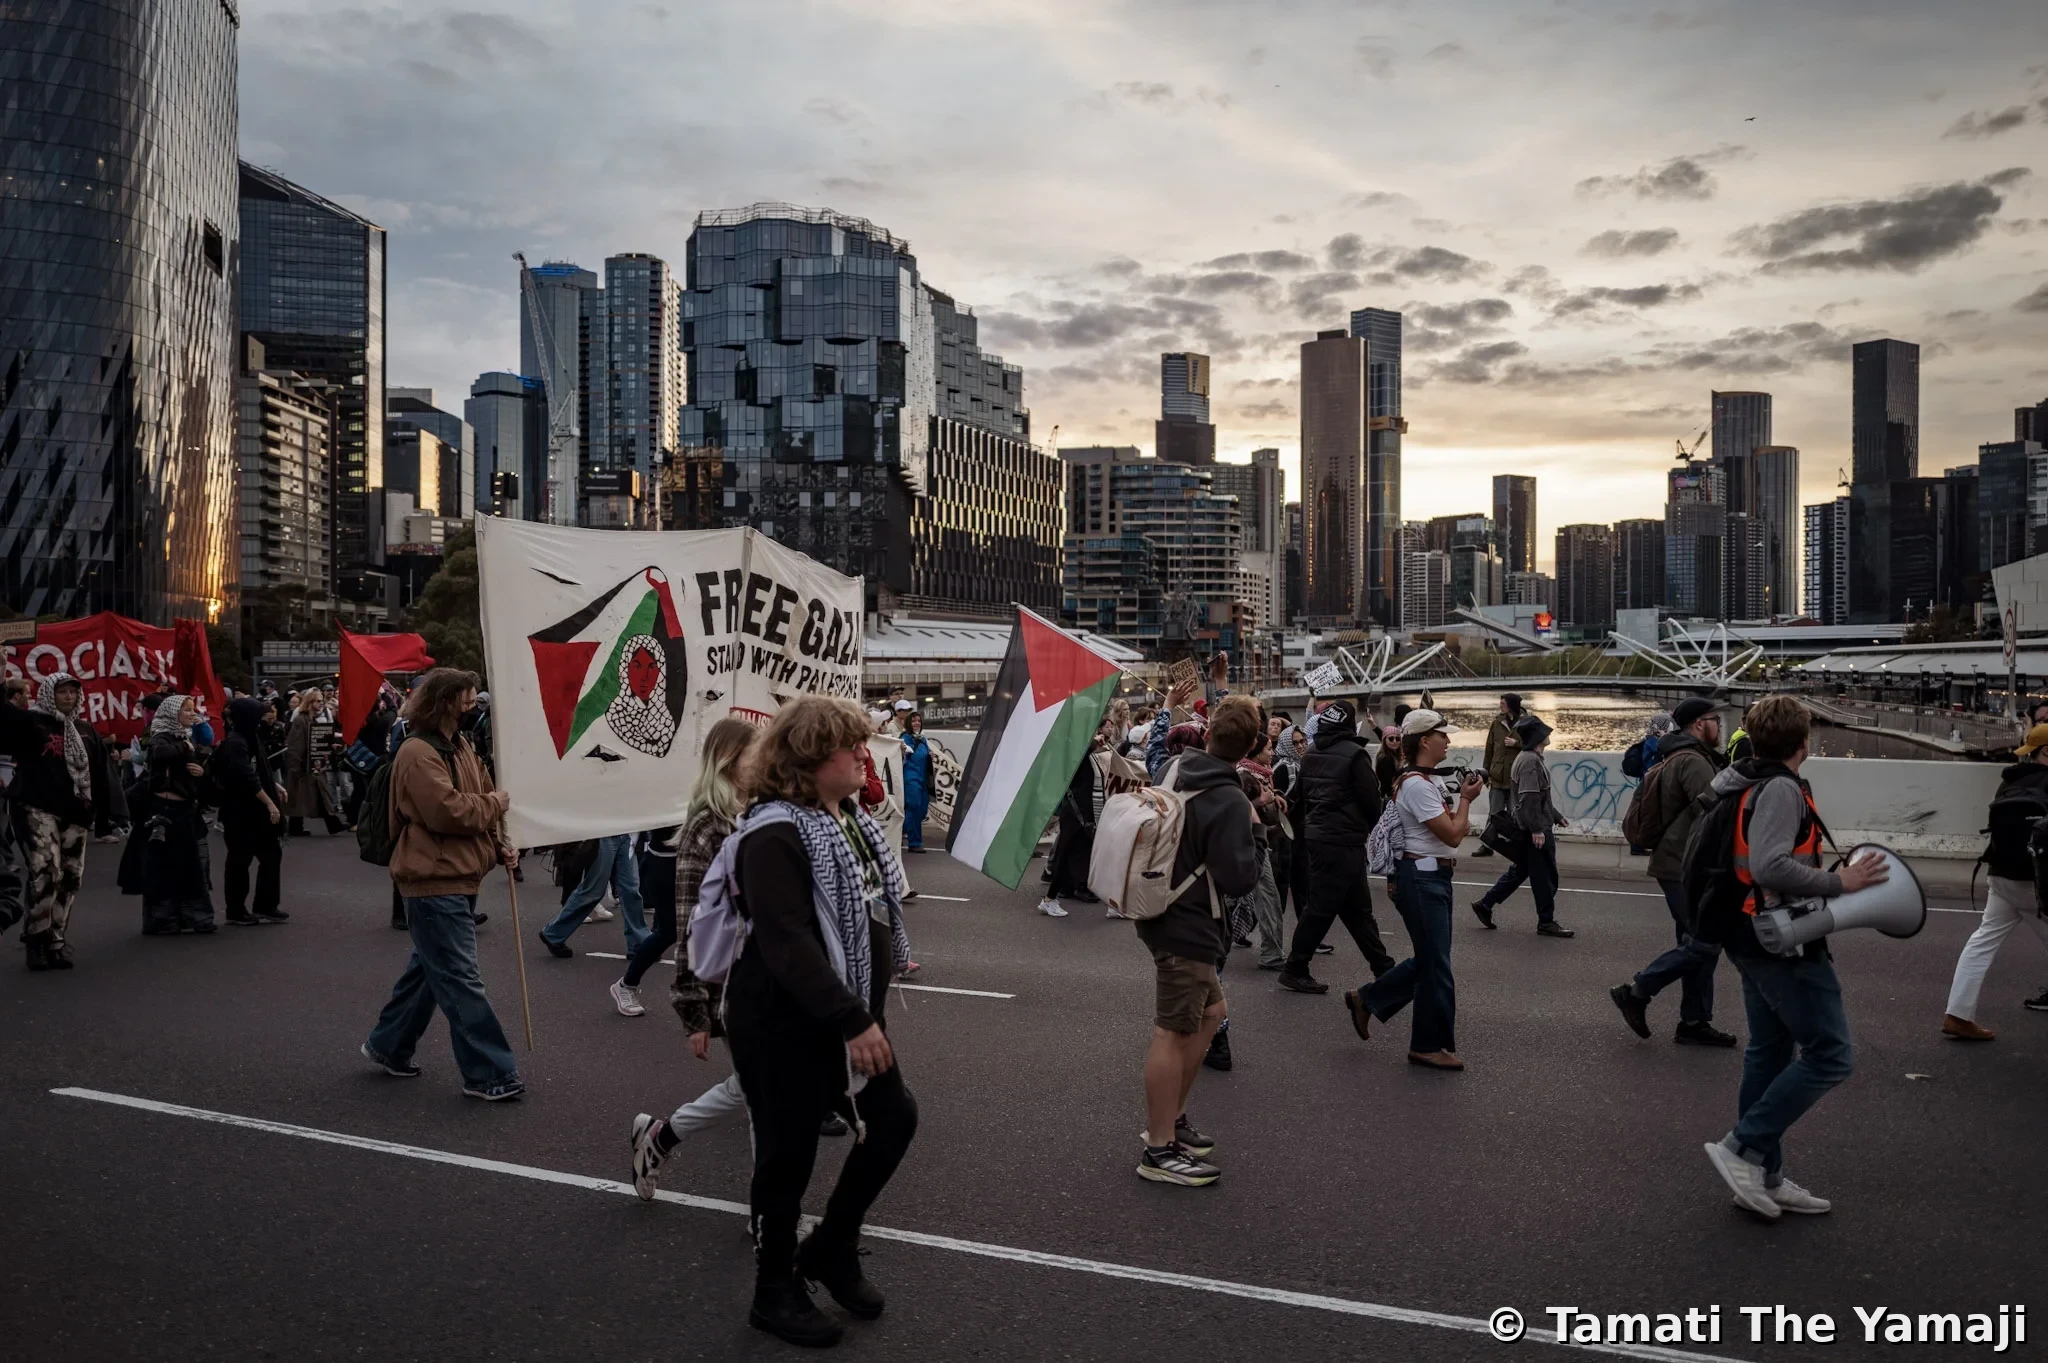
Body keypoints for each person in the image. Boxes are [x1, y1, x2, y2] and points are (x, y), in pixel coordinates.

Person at [706, 698, 915, 1347]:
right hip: (781, 1019)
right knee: (787, 1155)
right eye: (849, 746)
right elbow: (788, 939)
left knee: (893, 1117)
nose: (863, 755)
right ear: (809, 758)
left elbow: (867, 908)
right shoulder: (772, 833)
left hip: (837, 1012)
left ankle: (830, 1246)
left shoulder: (846, 818)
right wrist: (853, 1016)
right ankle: (773, 1291)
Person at [1694, 696, 1887, 1220]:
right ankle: (1741, 1148)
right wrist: (1837, 881)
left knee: (1770, 1053)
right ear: (1805, 742)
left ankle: (1763, 1177)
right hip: (1782, 937)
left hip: (1751, 931)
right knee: (1831, 1054)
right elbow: (1770, 863)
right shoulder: (1780, 787)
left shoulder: (1746, 778)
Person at [361, 668, 524, 1102]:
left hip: (457, 874)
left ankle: (388, 1045)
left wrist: (499, 844)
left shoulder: (462, 745)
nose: (473, 706)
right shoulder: (417, 751)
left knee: (430, 973)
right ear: (444, 702)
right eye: (466, 700)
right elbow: (449, 812)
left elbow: (482, 804)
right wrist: (494, 806)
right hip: (434, 879)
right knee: (459, 977)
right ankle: (489, 1072)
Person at [627, 719, 765, 1186]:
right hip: (733, 982)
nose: (762, 762)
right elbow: (689, 920)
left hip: (765, 974)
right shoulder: (707, 826)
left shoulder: (755, 813)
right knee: (762, 1092)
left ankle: (661, 1138)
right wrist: (694, 1011)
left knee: (760, 1088)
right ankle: (768, 1213)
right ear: (729, 761)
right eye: (753, 755)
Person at [1135, 694, 1260, 1187]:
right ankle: (1159, 1148)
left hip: (1161, 904)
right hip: (1188, 920)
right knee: (1172, 1030)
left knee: (1212, 1012)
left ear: (1208, 734)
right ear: (1251, 747)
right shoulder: (1230, 799)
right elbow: (1238, 879)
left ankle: (1174, 1119)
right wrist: (1257, 832)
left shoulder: (1172, 768)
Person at [1344, 710, 1482, 1070]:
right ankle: (1427, 1044)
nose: (1448, 741)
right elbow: (1452, 833)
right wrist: (1467, 800)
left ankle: (1369, 1000)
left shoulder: (1425, 780)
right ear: (1425, 741)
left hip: (1429, 877)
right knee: (1436, 966)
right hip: (1422, 880)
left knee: (1431, 962)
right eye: (1443, 736)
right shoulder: (1418, 785)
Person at [612, 719, 759, 1021]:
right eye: (753, 754)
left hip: (680, 860)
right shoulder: (668, 779)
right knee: (674, 929)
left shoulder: (752, 803)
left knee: (677, 930)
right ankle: (627, 984)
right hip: (667, 862)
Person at [1611, 698, 1734, 1045]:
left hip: (1680, 863)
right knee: (1705, 942)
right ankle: (1637, 991)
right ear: (1698, 724)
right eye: (1714, 719)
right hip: (1684, 866)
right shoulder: (1694, 762)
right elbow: (1714, 817)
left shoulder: (1681, 756)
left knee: (1694, 941)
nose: (1719, 725)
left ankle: (1694, 1021)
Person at [1938, 722, 2048, 1040]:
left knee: (1982, 942)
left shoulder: (2009, 783)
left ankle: (1958, 1015)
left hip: (2001, 875)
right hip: (2035, 883)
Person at [1278, 699, 1394, 994]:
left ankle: (1384, 968)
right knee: (1321, 908)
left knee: (1357, 909)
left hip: (1320, 837)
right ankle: (1295, 967)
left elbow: (1301, 797)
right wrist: (1374, 832)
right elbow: (1371, 801)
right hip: (1343, 839)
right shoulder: (1355, 755)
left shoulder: (1312, 752)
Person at [1, 674, 114, 968]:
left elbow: (102, 774)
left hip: (76, 813)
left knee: (70, 877)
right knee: (45, 871)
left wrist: (108, 815)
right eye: (62, 692)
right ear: (50, 694)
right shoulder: (31, 723)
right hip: (36, 807)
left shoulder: (86, 730)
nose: (68, 698)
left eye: (73, 693)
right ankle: (36, 940)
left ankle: (56, 940)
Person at [1468, 712, 1575, 937]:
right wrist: (1537, 829)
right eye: (1544, 732)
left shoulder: (1530, 759)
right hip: (1534, 829)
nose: (1548, 735)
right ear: (1537, 738)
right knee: (1545, 876)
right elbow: (1528, 798)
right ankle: (1546, 922)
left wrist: (1555, 815)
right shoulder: (1529, 762)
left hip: (1534, 825)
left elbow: (1538, 796)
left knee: (1521, 871)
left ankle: (1485, 904)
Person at [138, 695, 217, 935]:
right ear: (173, 713)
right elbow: (161, 753)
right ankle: (163, 919)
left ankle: (194, 917)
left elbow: (207, 743)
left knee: (194, 866)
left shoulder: (186, 736)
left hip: (187, 810)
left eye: (193, 709)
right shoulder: (161, 736)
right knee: (165, 869)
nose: (191, 714)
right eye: (186, 710)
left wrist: (199, 770)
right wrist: (185, 747)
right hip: (166, 811)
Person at [212, 696, 288, 926]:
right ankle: (236, 910)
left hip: (253, 811)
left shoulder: (249, 737)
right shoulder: (236, 742)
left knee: (271, 855)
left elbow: (257, 768)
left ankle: (266, 905)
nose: (262, 718)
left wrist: (273, 785)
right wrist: (269, 802)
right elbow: (245, 776)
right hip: (241, 811)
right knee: (240, 859)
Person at [537, 831, 650, 959]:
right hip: (605, 833)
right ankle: (553, 932)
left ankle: (639, 942)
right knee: (594, 890)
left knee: (631, 890)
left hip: (628, 833)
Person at [284, 690, 345, 835]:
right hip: (304, 765)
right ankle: (297, 827)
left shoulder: (314, 720)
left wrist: (330, 746)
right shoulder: (301, 720)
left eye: (321, 701)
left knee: (320, 793)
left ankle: (332, 824)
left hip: (313, 764)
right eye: (318, 701)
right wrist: (295, 766)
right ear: (310, 702)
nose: (321, 703)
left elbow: (317, 742)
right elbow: (296, 745)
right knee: (300, 797)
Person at [1475, 694, 1524, 858]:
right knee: (1494, 813)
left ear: (1511, 705)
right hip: (1496, 777)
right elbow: (1489, 749)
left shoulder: (1525, 723)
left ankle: (1516, 846)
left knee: (1514, 814)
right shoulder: (1497, 723)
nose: (1500, 706)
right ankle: (1487, 845)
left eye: (1503, 704)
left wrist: (1516, 744)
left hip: (1515, 778)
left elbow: (1534, 744)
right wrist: (1486, 773)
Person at [900, 712, 932, 853]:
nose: (917, 723)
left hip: (923, 777)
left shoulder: (923, 739)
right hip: (911, 776)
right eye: (913, 721)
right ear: (909, 723)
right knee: (913, 807)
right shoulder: (904, 738)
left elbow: (925, 754)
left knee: (922, 809)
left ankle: (901, 829)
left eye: (918, 720)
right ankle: (914, 842)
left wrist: (930, 756)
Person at [1374, 725, 1401, 800]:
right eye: (1391, 739)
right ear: (1384, 740)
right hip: (1391, 796)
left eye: (1397, 739)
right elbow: (1388, 783)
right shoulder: (1385, 759)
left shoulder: (1397, 755)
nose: (1394, 741)